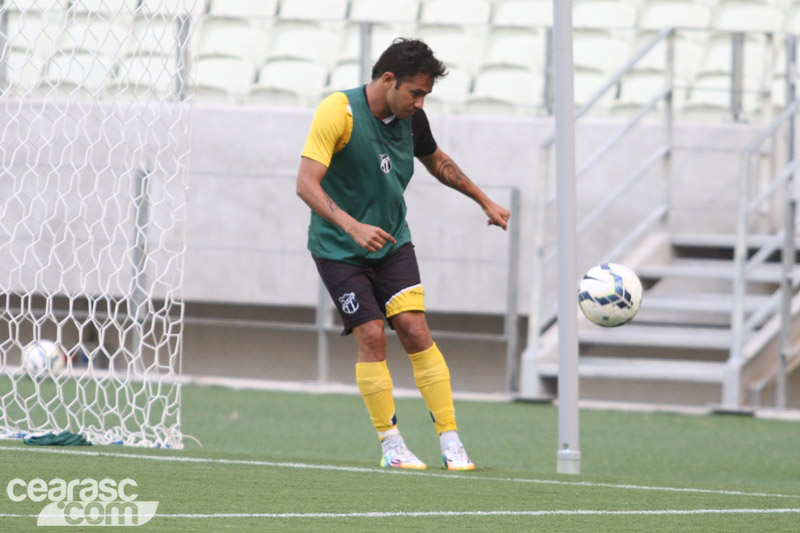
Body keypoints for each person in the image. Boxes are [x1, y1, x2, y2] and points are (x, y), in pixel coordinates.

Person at [296, 38, 510, 471]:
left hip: (392, 241)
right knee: (372, 334)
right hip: (339, 248)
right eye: (416, 92)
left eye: (426, 94)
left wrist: (484, 201)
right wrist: (352, 227)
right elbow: (305, 183)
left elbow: (438, 161)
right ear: (388, 80)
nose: (420, 102)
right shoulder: (339, 111)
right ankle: (392, 444)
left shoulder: (413, 121)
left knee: (414, 328)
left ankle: (451, 440)